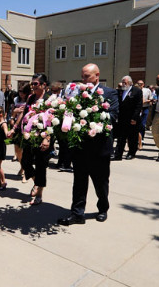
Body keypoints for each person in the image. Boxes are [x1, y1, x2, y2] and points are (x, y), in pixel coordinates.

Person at [58, 63, 118, 225]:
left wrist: (95, 118)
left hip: (100, 147)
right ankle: (77, 213)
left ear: (97, 75)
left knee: (101, 182)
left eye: (87, 76)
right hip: (80, 147)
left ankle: (103, 208)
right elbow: (69, 112)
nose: (83, 79)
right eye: (82, 76)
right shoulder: (77, 94)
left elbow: (113, 116)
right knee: (79, 182)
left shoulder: (109, 93)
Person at [10, 73, 52, 206]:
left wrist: (48, 138)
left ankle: (39, 194)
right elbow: (24, 113)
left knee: (41, 166)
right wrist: (15, 127)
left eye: (35, 84)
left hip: (44, 137)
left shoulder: (50, 99)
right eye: (32, 84)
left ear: (44, 85)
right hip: (29, 135)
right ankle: (36, 182)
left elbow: (53, 120)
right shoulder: (31, 97)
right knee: (26, 162)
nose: (33, 86)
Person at [113, 76, 142, 160]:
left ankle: (131, 153)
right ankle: (118, 154)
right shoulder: (120, 91)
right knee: (121, 137)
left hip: (132, 119)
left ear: (130, 82)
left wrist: (134, 118)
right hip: (122, 118)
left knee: (132, 137)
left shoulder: (137, 91)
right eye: (122, 82)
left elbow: (138, 106)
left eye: (125, 82)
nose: (123, 84)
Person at [11, 84, 31, 180]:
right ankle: (22, 166)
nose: (21, 94)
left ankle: (26, 170)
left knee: (25, 151)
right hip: (17, 127)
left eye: (23, 92)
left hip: (26, 126)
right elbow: (13, 113)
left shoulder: (29, 100)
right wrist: (15, 112)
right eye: (20, 91)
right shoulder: (16, 100)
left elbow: (24, 114)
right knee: (17, 150)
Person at [137, 80, 152, 149]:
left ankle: (141, 139)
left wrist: (145, 101)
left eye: (141, 84)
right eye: (138, 84)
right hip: (137, 109)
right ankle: (137, 139)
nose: (139, 85)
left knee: (142, 125)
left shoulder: (147, 90)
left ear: (143, 84)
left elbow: (151, 99)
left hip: (145, 108)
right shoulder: (136, 90)